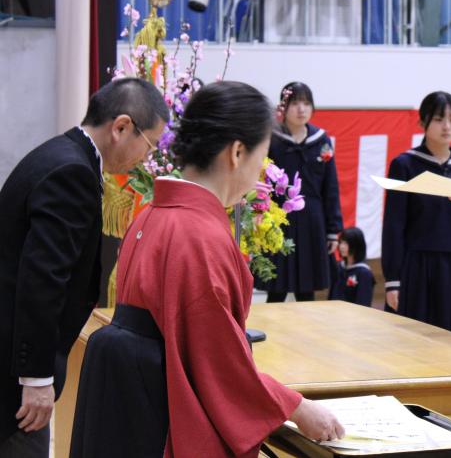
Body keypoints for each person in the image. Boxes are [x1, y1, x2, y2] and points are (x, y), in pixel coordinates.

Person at [69, 82, 343, 458]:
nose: (259, 173)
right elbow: (218, 363)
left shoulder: (152, 214)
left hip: (127, 407)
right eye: (262, 156)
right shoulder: (198, 235)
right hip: (157, 416)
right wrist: (296, 407)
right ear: (237, 152)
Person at [0, 78, 168, 458]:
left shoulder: (60, 154)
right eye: (149, 144)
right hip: (14, 373)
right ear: (121, 127)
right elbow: (43, 279)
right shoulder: (72, 172)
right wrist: (36, 378)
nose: (146, 157)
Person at [381, 91, 451, 341]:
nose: (447, 126)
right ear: (423, 122)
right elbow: (394, 225)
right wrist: (393, 279)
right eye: (439, 119)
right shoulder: (404, 165)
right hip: (418, 269)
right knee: (417, 346)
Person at [265, 82, 343, 302]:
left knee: (307, 290)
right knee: (276, 289)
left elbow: (331, 187)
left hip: (312, 220)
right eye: (295, 103)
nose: (301, 109)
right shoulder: (272, 138)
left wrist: (333, 231)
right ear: (283, 107)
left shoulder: (322, 140)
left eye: (307, 103)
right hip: (278, 219)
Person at [329, 227, 375, 307]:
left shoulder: (364, 273)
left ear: (356, 245)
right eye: (341, 242)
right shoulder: (339, 267)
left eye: (345, 243)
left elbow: (363, 304)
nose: (341, 246)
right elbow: (331, 295)